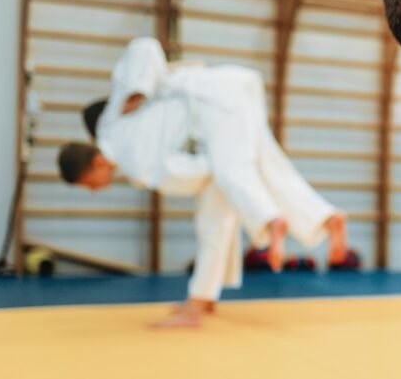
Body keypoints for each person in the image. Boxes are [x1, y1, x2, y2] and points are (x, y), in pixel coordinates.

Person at [58, 38, 348, 327]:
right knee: (267, 168)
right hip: (229, 90)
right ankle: (325, 217)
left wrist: (139, 91)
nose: (94, 190)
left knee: (229, 176)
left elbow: (200, 174)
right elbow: (144, 49)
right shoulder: (115, 123)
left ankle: (270, 221)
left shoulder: (130, 153)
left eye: (89, 184)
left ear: (97, 162)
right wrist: (139, 90)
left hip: (214, 102)